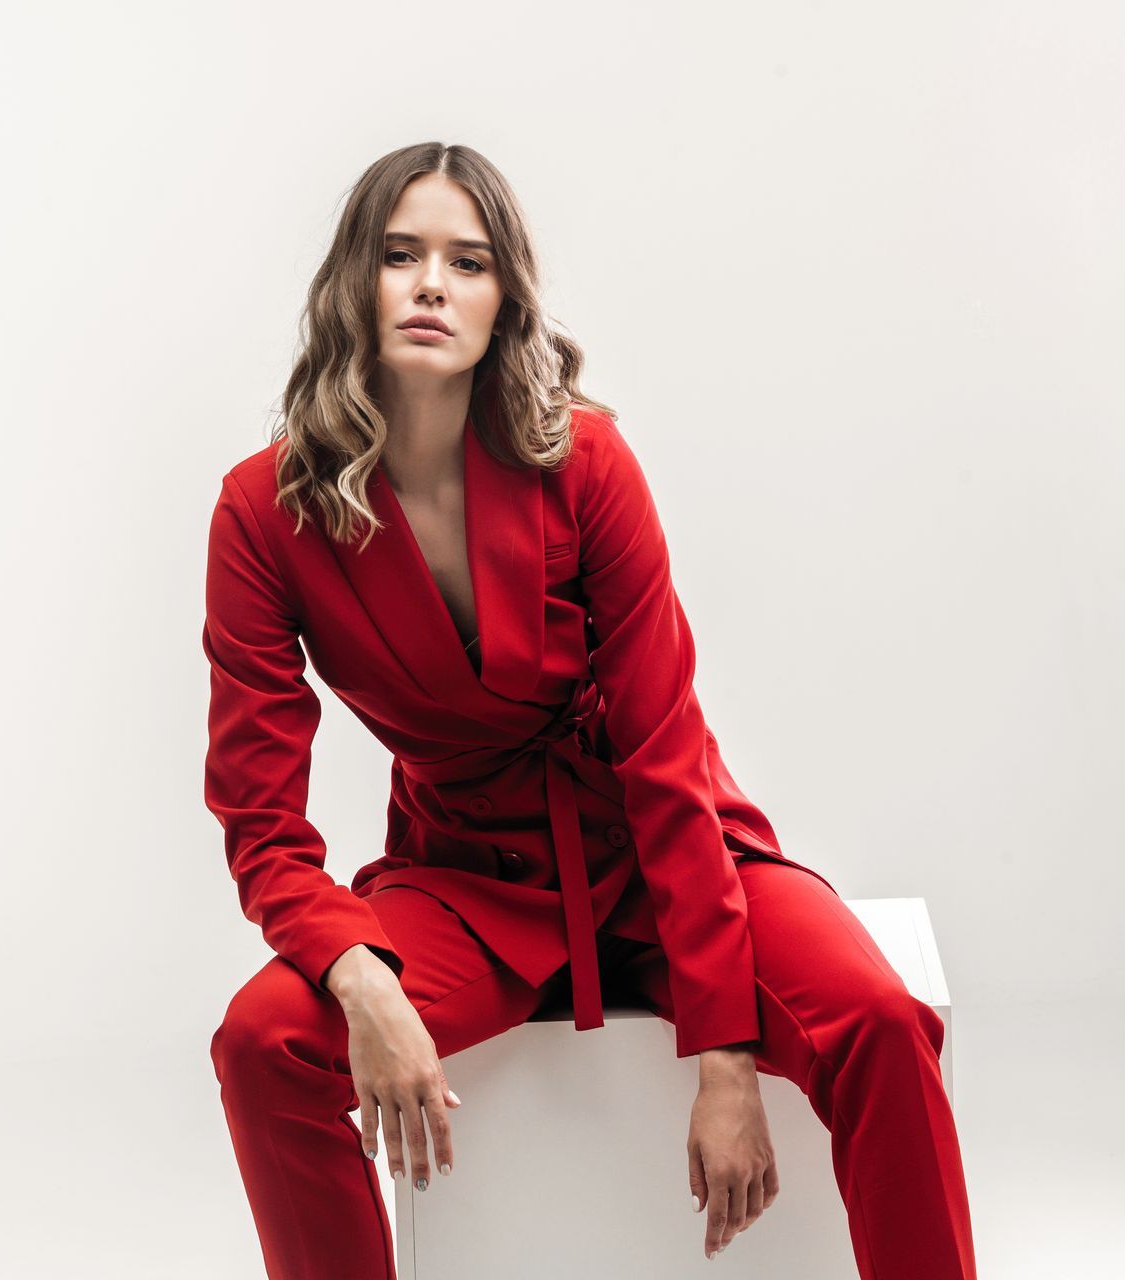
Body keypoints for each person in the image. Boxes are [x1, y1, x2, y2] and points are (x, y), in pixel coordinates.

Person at [201, 142, 977, 1280]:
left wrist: (723, 1055)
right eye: (399, 254)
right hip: (467, 882)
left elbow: (664, 751)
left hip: (659, 849)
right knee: (264, 1040)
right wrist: (358, 975)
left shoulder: (588, 461)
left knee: (880, 1020)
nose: (429, 284)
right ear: (350, 281)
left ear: (504, 298)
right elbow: (261, 821)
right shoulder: (260, 513)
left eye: (465, 262)